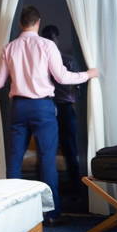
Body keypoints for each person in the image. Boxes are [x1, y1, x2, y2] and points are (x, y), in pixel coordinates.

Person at [0, 6, 98, 225]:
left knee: (14, 161)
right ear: (37, 23)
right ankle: (51, 214)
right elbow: (62, 77)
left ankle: (15, 213)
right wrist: (88, 74)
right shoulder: (46, 45)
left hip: (18, 107)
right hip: (42, 108)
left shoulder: (8, 47)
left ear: (21, 24)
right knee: (48, 160)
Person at [41, 25, 81, 194]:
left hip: (47, 106)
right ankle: (76, 189)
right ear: (56, 39)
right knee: (70, 149)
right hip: (64, 108)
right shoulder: (68, 59)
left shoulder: (41, 62)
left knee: (47, 151)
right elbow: (77, 84)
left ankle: (50, 190)